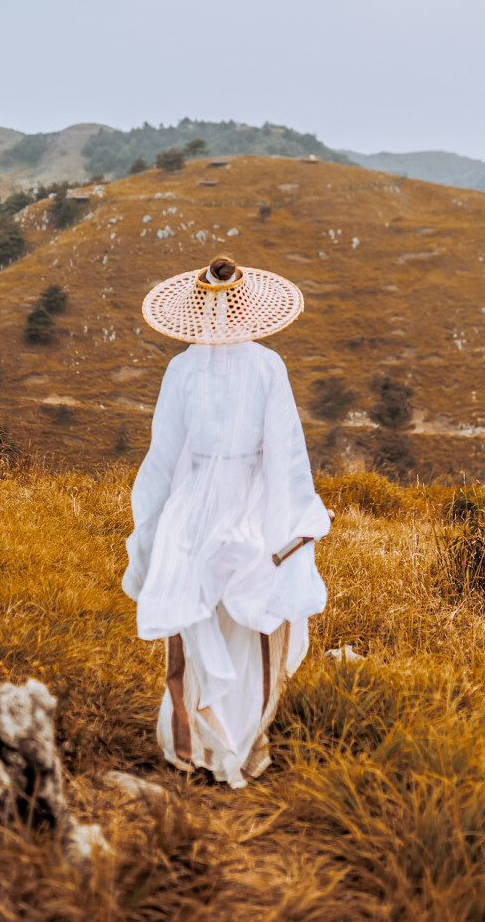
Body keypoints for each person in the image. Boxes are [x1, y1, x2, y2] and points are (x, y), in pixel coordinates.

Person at [122, 253, 331, 788]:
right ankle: (233, 743)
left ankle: (194, 743)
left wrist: (153, 524)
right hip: (247, 505)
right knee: (244, 620)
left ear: (202, 310)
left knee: (206, 615)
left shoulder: (183, 368)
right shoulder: (267, 367)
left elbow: (163, 457)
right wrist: (291, 523)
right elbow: (284, 455)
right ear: (246, 311)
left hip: (191, 507)